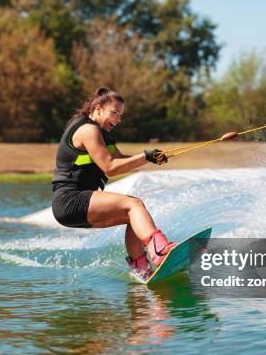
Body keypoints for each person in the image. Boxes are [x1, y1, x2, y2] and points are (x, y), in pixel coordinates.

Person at [52, 87, 177, 282]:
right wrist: (144, 157)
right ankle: (159, 249)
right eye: (114, 113)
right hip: (70, 199)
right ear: (98, 108)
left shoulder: (103, 134)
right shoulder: (88, 130)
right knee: (134, 205)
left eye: (121, 115)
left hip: (76, 203)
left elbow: (119, 159)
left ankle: (141, 269)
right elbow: (110, 167)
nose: (118, 119)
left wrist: (149, 158)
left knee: (133, 218)